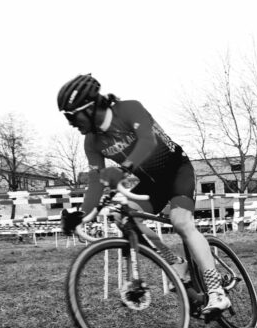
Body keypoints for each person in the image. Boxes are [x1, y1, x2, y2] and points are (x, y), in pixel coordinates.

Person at [57, 73, 230, 314]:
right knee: (125, 218)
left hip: (177, 171)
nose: (71, 123)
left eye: (72, 116)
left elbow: (147, 141)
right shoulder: (92, 142)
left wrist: (122, 168)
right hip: (151, 183)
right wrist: (82, 215)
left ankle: (216, 292)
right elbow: (96, 180)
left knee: (181, 222)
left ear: (90, 107)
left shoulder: (128, 109)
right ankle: (175, 262)